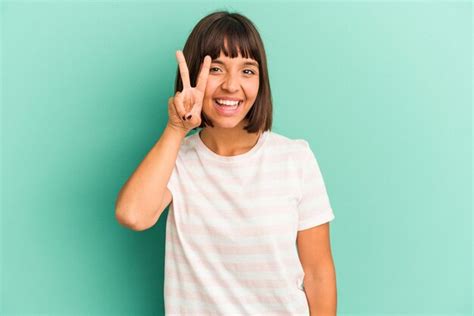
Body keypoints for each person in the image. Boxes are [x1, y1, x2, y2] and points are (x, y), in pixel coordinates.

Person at [115, 10, 337, 315]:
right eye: (216, 68)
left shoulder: (295, 158)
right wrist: (177, 128)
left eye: (247, 70)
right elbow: (133, 215)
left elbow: (318, 272)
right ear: (192, 76)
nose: (232, 86)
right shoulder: (176, 160)